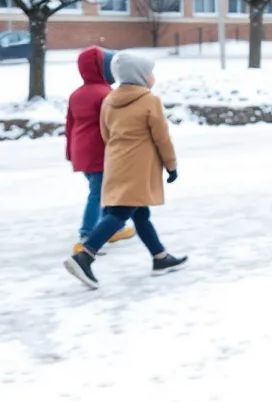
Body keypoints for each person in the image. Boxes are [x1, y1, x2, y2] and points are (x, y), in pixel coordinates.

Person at [63, 52, 187, 289]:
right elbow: (162, 138)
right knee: (119, 214)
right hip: (139, 167)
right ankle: (85, 256)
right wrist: (171, 165)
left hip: (116, 162)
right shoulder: (150, 101)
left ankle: (160, 257)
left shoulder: (110, 99)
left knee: (140, 215)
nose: (153, 76)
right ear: (141, 76)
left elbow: (105, 132)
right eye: (150, 72)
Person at [65, 46, 136, 252]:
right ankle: (87, 234)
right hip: (100, 151)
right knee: (98, 193)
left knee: (104, 191)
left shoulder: (76, 95)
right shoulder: (106, 94)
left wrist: (70, 153)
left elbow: (70, 125)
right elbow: (116, 125)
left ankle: (111, 229)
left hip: (81, 151)